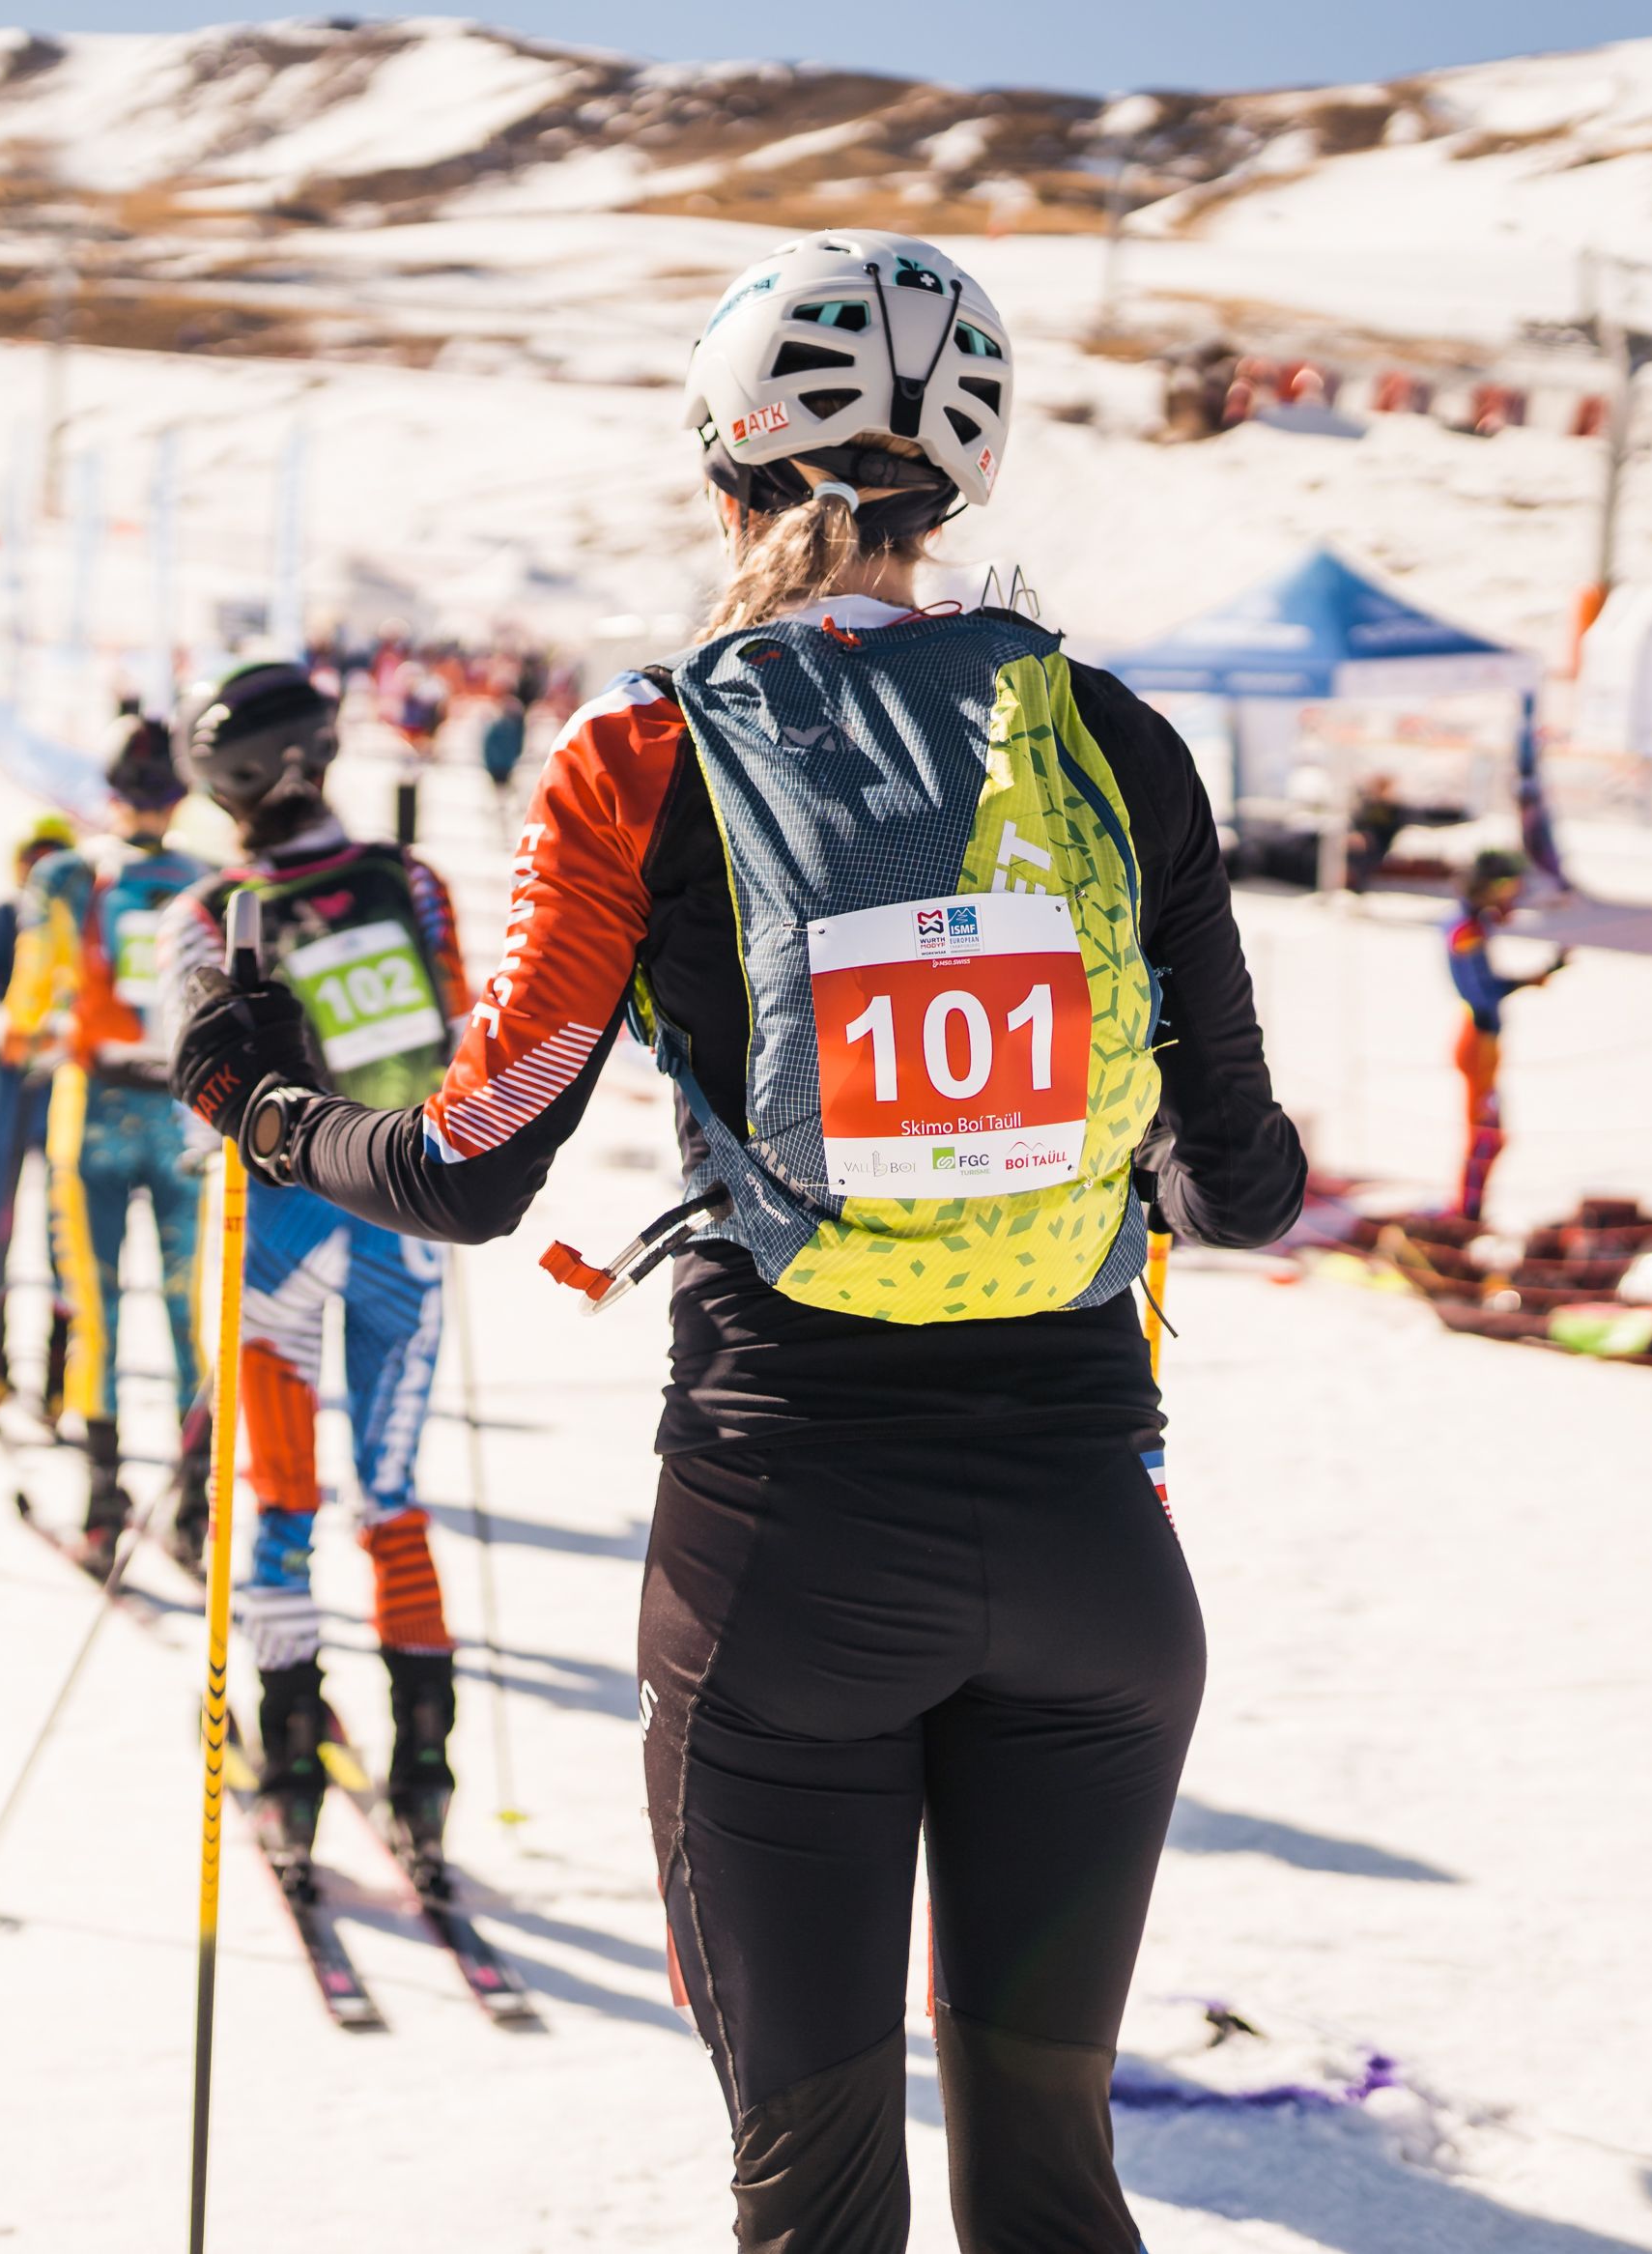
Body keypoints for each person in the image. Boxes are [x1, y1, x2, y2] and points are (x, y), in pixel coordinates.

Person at [173, 228, 1303, 2253]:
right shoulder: (1112, 742)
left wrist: (254, 1090)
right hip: (1094, 1558)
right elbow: (1246, 1185)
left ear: (726, 468)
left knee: (815, 2202)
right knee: (1052, 2192)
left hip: (787, 1549)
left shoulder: (645, 747)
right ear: (964, 475)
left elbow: (469, 1164)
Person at [164, 660, 475, 1875]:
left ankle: (288, 1767)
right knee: (391, 1494)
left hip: (276, 1228)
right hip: (404, 1204)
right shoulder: (408, 881)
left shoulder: (208, 913)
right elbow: (458, 1027)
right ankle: (426, 1771)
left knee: (279, 1505)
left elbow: (200, 1097)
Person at [15, 721, 214, 1554]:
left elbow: (30, 1004)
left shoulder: (69, 875)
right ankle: (194, 1506)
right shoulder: (212, 880)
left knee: (91, 1305)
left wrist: (30, 1036)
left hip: (93, 1105)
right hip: (184, 1114)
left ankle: (102, 1499)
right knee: (187, 1309)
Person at [0, 813, 76, 1397]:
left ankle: (57, 1371)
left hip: (57, 1082)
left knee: (61, 1228)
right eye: (34, 862)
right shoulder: (8, 914)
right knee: (1, 1221)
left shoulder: (85, 917)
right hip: (17, 1079)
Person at [1444, 846, 1568, 1223]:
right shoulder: (1466, 931)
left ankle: (1471, 1209)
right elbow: (1483, 992)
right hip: (1478, 1044)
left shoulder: (1474, 926)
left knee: (1490, 1134)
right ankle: (1467, 1211)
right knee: (1487, 1136)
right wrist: (1530, 979)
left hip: (1485, 1043)